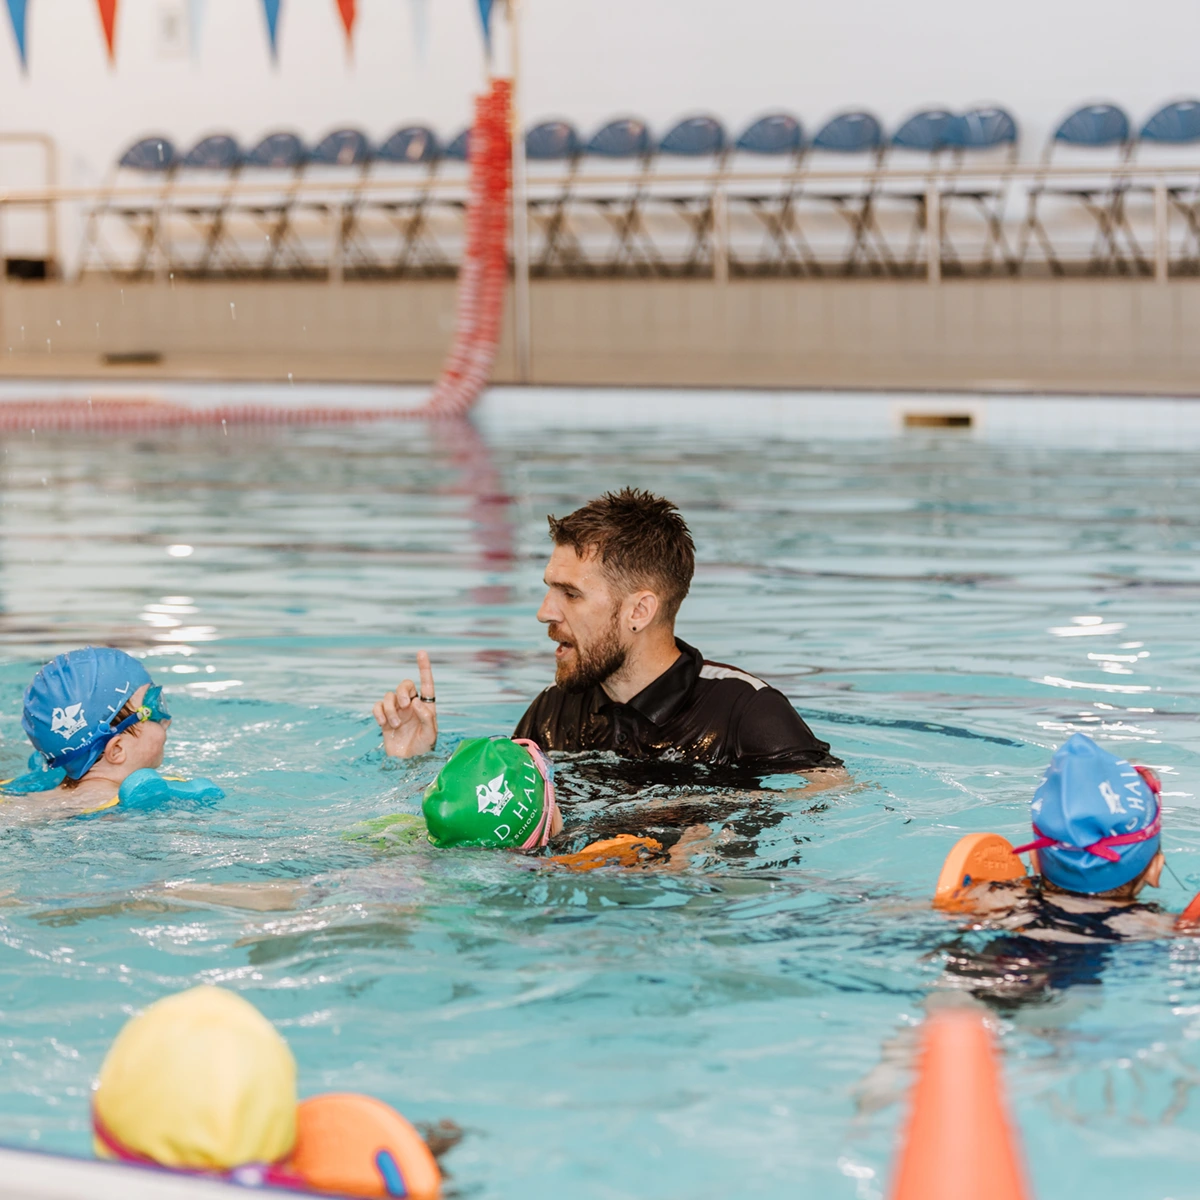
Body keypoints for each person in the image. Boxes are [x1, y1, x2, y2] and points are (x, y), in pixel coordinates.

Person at [373, 489, 842, 777]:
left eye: (570, 594)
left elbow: (830, 800)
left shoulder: (744, 711)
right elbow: (496, 824)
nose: (543, 613)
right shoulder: (553, 713)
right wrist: (416, 765)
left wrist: (713, 833)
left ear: (639, 610)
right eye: (548, 590)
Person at [5, 646, 177, 819]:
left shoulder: (28, 802)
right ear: (117, 749)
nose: (166, 721)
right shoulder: (122, 810)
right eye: (153, 709)